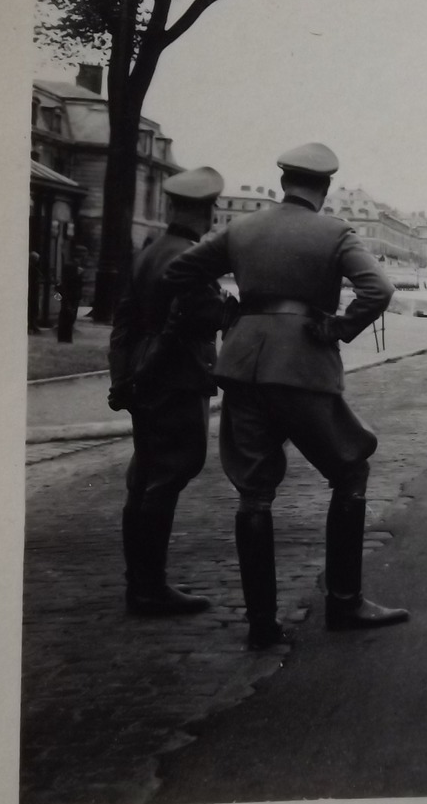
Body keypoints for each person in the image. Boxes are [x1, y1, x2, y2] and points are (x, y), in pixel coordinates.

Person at [164, 143, 408, 650]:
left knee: (254, 493)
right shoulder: (334, 231)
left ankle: (261, 625)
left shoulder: (244, 228)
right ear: (324, 188)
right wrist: (340, 328)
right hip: (302, 367)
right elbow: (378, 290)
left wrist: (226, 314)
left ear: (283, 182)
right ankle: (344, 602)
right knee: (350, 469)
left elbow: (179, 273)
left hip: (244, 365)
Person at [107, 167, 233, 617]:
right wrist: (230, 309)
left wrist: (121, 378)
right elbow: (196, 319)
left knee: (143, 479)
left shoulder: (148, 252)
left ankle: (138, 583)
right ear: (209, 210)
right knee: (168, 476)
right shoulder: (190, 258)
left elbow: (123, 323)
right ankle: (150, 588)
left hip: (143, 378)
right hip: (176, 380)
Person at [56, 246, 87, 344]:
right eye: (84, 254)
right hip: (70, 294)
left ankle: (65, 337)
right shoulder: (72, 266)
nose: (86, 256)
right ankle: (65, 337)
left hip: (72, 294)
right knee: (68, 314)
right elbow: (69, 282)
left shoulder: (75, 265)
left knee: (69, 315)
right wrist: (77, 273)